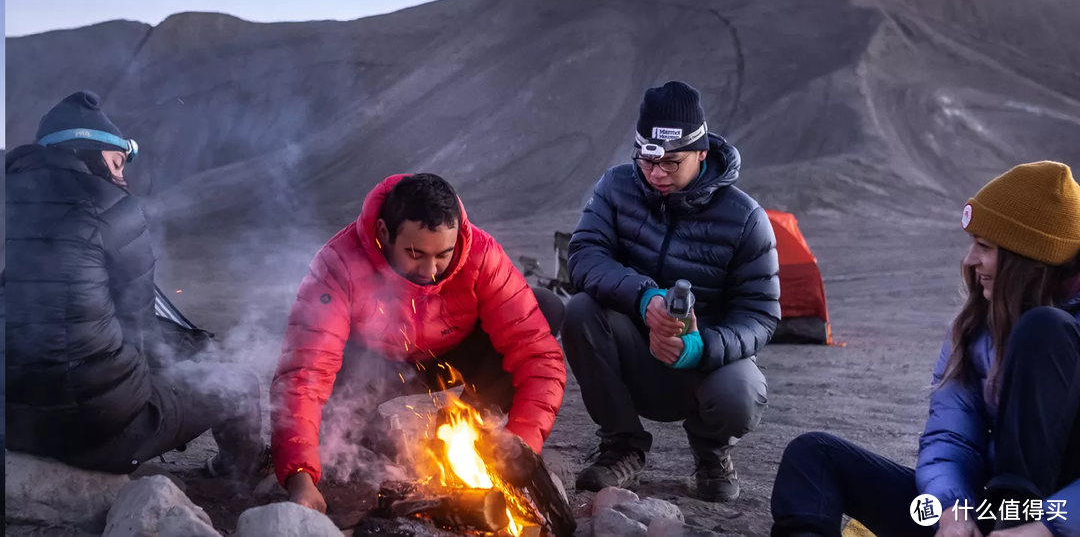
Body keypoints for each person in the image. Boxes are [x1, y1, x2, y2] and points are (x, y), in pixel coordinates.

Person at [770, 161, 1080, 537]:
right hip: (990, 517)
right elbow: (952, 438)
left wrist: (1046, 527)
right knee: (814, 455)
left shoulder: (1052, 331)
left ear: (1026, 259)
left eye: (985, 246)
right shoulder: (974, 330)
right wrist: (954, 508)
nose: (970, 260)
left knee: (1043, 329)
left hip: (1052, 522)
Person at [4, 91, 266, 482]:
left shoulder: (15, 206)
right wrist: (175, 377)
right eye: (117, 162)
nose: (122, 175)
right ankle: (238, 475)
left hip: (19, 425)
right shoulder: (112, 206)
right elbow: (141, 328)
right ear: (88, 152)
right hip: (96, 432)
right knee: (236, 383)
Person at [270, 172, 567, 512]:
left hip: (449, 359)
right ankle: (362, 430)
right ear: (383, 233)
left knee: (545, 307)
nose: (431, 270)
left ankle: (467, 422)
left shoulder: (481, 255)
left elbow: (538, 357)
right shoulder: (338, 264)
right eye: (415, 253)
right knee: (339, 436)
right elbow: (304, 375)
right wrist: (300, 481)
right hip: (369, 370)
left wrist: (520, 444)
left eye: (444, 254)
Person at [561, 80, 780, 502]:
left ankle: (711, 452)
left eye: (671, 164)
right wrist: (644, 298)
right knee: (581, 311)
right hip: (632, 352)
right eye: (647, 161)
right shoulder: (616, 187)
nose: (656, 174)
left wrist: (700, 347)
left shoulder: (746, 219)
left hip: (703, 364)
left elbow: (761, 315)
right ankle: (621, 446)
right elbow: (585, 254)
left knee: (742, 393)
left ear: (701, 153)